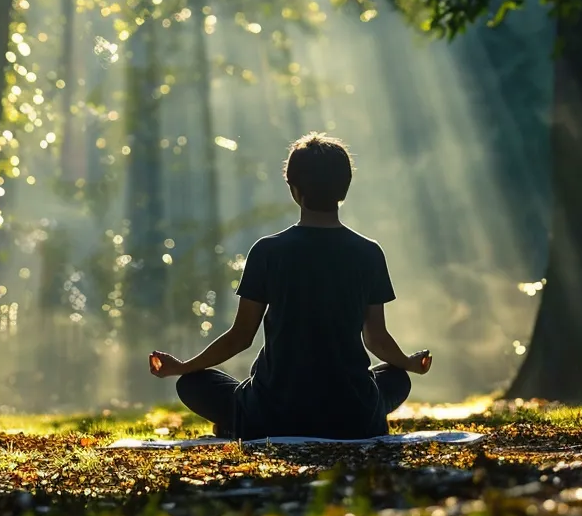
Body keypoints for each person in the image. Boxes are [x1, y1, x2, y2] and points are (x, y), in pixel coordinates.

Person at [147, 132, 432, 439]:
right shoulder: (369, 252)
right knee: (397, 378)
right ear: (344, 188)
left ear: (294, 190)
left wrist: (184, 367)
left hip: (272, 414)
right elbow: (376, 338)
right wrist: (409, 363)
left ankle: (240, 422)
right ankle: (356, 414)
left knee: (192, 384)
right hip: (353, 415)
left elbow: (241, 337)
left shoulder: (267, 251)